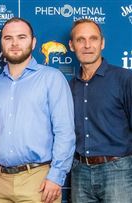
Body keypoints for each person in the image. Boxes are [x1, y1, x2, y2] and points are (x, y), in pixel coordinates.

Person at [0, 17, 76, 203]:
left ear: (33, 42)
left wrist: (56, 177)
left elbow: (65, 133)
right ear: (1, 43)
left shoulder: (52, 79)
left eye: (21, 37)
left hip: (38, 181)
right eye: (8, 38)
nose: (15, 43)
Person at [69, 19, 132, 203]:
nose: (87, 45)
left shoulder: (124, 79)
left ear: (102, 43)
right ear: (72, 46)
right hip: (79, 171)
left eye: (93, 39)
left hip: (118, 171)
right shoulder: (69, 86)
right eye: (80, 40)